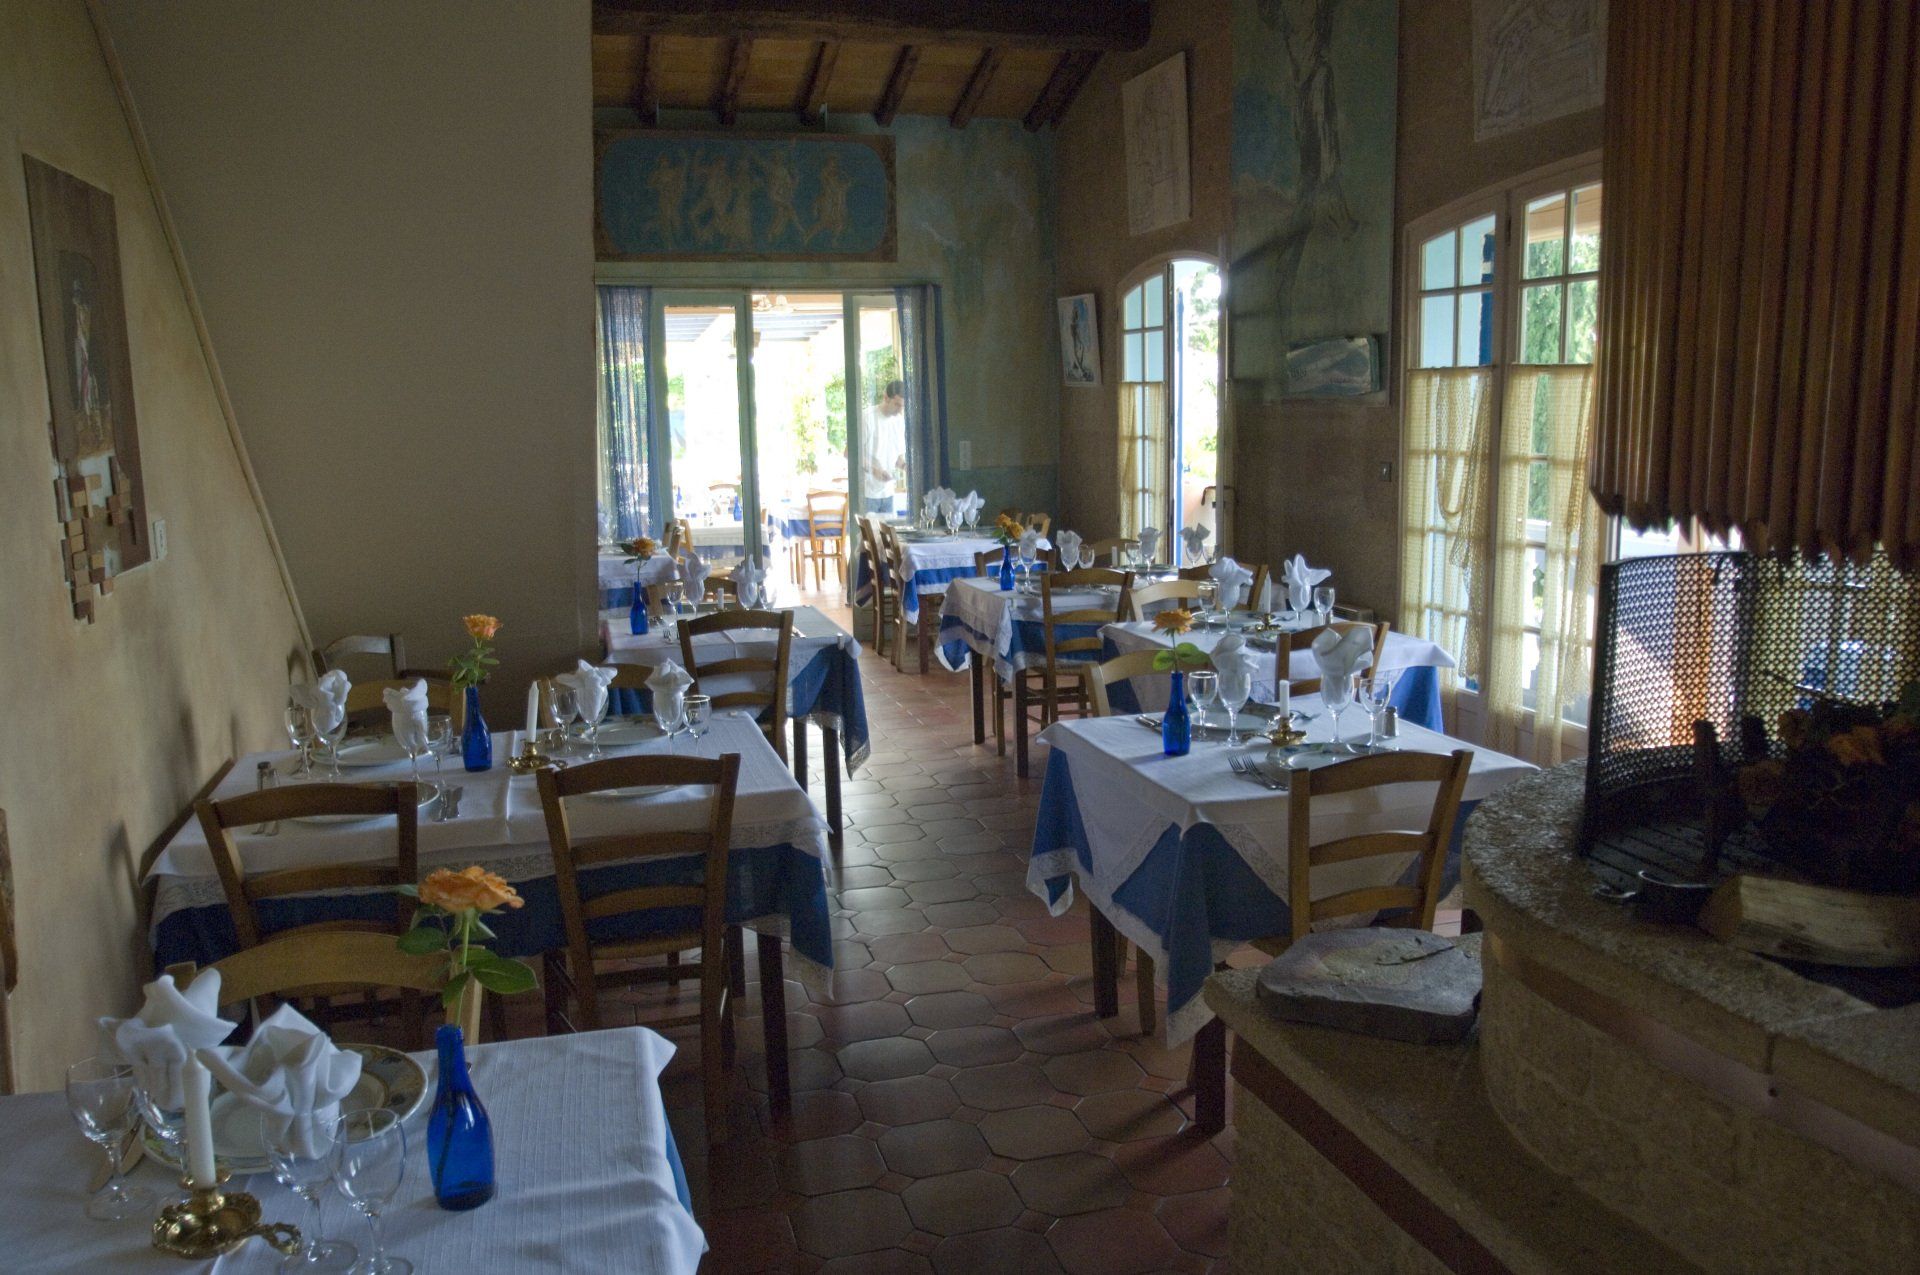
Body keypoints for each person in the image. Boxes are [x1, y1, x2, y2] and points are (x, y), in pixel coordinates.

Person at [861, 379, 906, 514]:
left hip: (888, 493)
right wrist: (874, 470)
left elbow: (897, 458)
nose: (899, 410)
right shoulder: (867, 417)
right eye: (897, 404)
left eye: (902, 406)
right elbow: (850, 454)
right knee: (867, 529)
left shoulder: (899, 421)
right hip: (868, 493)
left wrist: (905, 466)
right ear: (886, 397)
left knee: (889, 529)